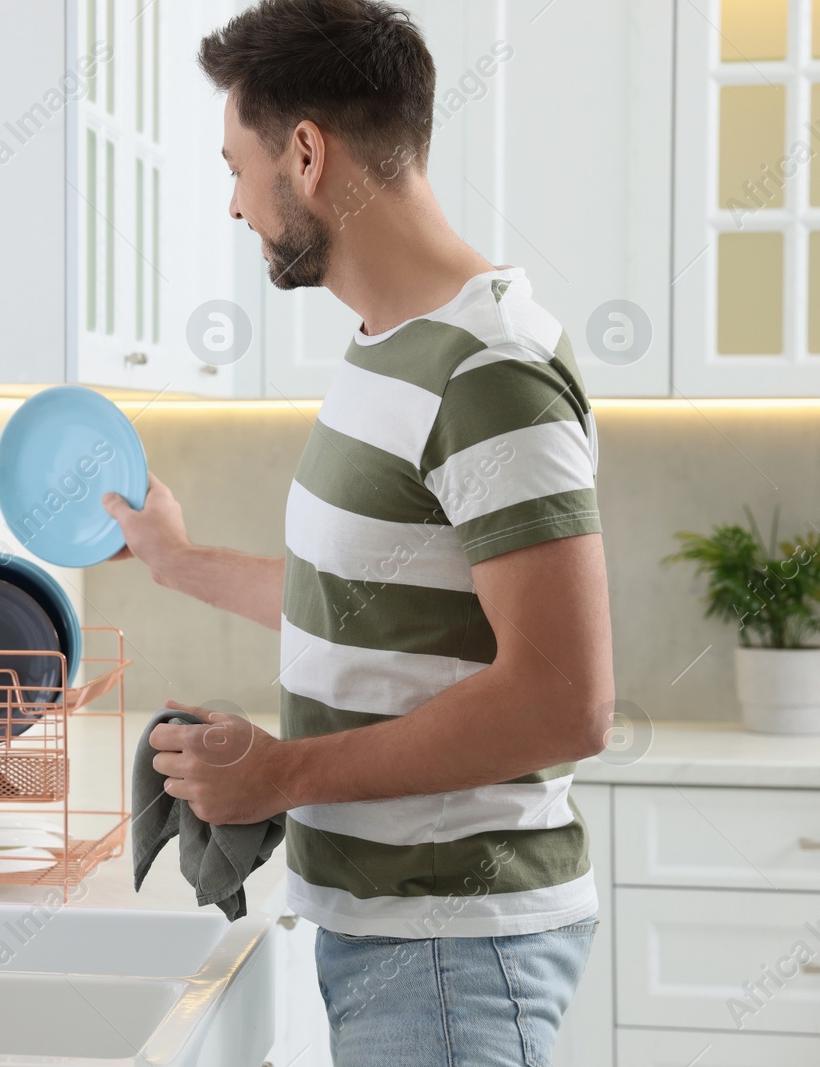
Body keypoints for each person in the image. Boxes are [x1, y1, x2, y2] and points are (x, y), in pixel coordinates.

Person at [102, 2, 614, 1063]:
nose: (236, 204)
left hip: (455, 948)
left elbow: (565, 700)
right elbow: (364, 595)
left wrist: (279, 775)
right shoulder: (389, 347)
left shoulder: (490, 372)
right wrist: (178, 560)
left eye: (237, 165)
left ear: (304, 153)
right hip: (389, 934)